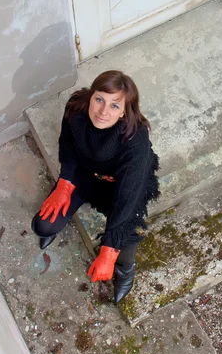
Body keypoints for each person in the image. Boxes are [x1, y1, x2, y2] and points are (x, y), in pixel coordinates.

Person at [31, 70, 159, 304]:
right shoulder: (75, 108)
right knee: (43, 225)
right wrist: (65, 183)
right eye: (99, 99)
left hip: (121, 185)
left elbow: (127, 196)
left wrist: (109, 251)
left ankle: (126, 269)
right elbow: (67, 147)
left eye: (114, 105)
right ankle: (67, 205)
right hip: (85, 173)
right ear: (91, 96)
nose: (103, 111)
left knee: (126, 234)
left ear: (123, 112)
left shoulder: (135, 140)